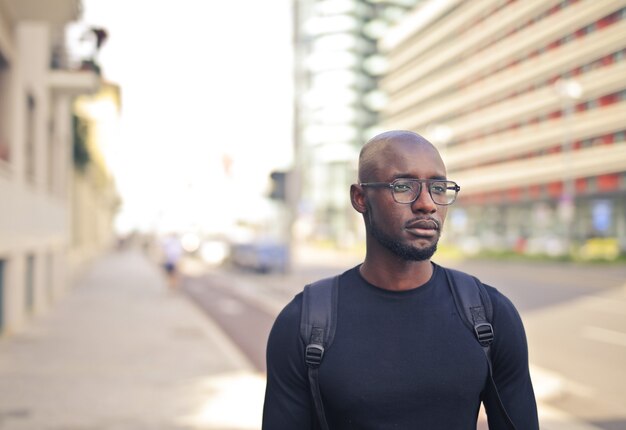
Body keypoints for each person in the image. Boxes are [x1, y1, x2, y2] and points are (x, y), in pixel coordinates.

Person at [262, 130, 539, 429]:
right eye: (404, 186)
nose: (427, 204)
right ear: (360, 197)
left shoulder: (489, 315)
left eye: (438, 187)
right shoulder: (304, 322)